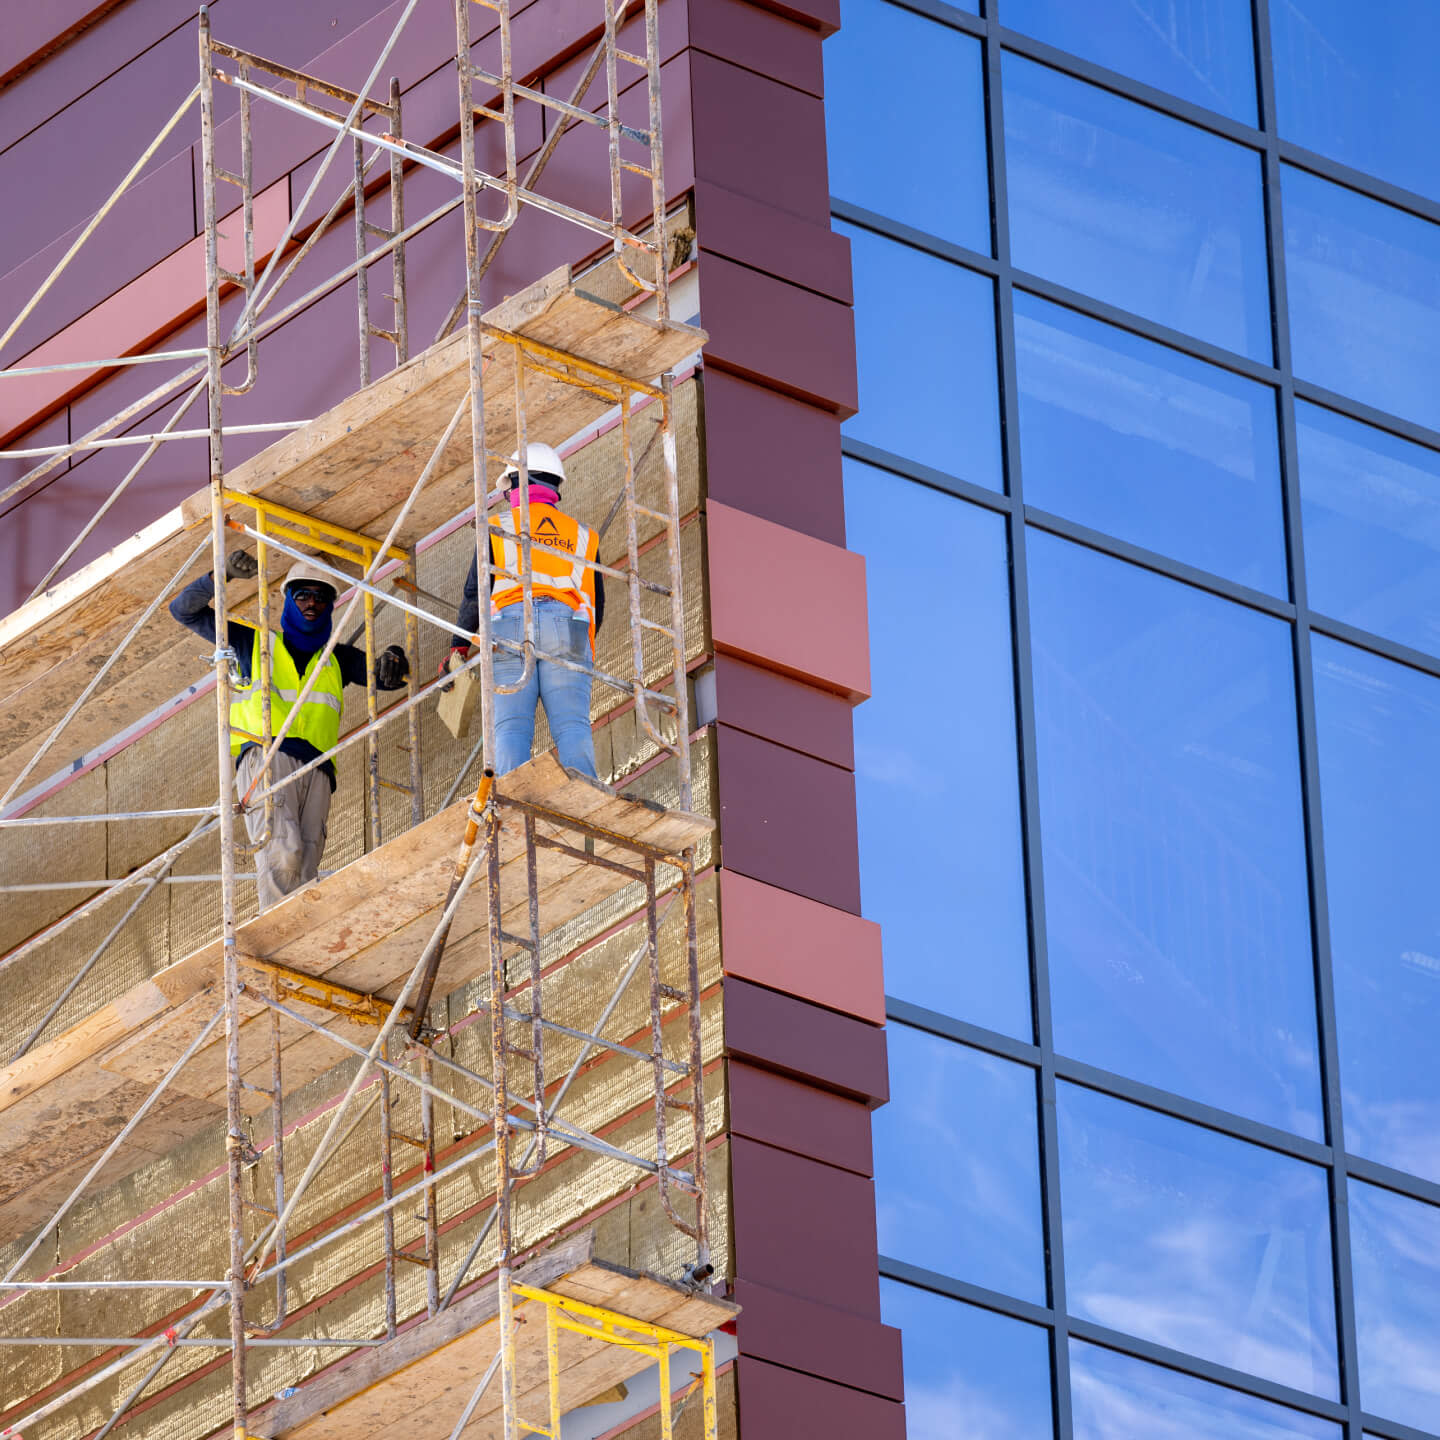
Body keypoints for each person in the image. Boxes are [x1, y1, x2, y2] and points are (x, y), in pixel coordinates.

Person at [171, 551, 410, 911]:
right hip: (268, 757)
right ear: (288, 599)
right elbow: (184, 611)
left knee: (307, 862)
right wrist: (221, 575)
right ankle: (279, 933)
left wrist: (394, 659)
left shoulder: (337, 658)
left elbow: (386, 678)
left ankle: (301, 935)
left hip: (318, 768)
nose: (312, 603)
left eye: (321, 597)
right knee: (283, 851)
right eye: (303, 595)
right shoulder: (255, 643)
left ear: (331, 605)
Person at [442, 442, 604, 777]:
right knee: (573, 726)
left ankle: (509, 808)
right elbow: (596, 602)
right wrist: (580, 648)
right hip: (567, 629)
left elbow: (475, 595)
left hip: (510, 628)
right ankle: (586, 796)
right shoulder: (584, 536)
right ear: (554, 486)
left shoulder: (497, 526)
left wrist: (457, 648)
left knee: (511, 729)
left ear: (515, 485)